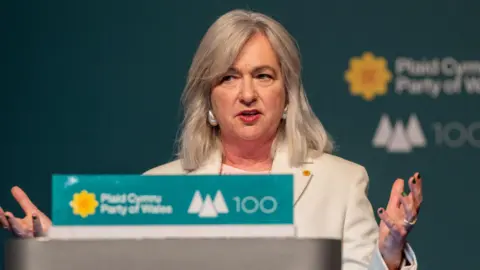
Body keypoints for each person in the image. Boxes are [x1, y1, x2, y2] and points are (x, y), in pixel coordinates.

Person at [0, 9, 422, 270]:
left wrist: (388, 255)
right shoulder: (159, 187)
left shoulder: (341, 183)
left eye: (263, 76)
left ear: (288, 95)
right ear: (208, 99)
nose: (247, 94)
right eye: (228, 77)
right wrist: (56, 251)